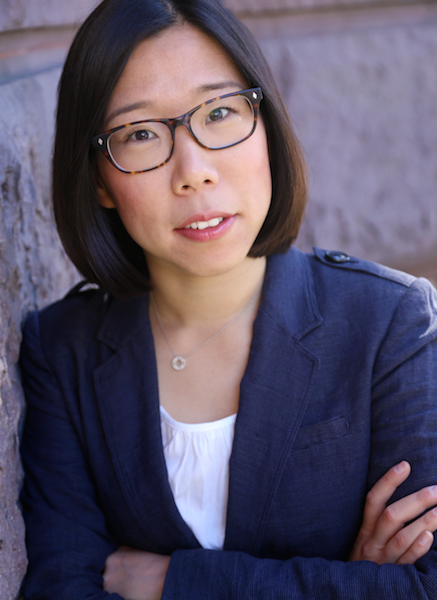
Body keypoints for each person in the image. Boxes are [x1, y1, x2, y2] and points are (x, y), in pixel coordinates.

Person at [19, 0, 437, 598]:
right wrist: (347, 583)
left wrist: (169, 581)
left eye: (219, 113)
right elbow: (63, 586)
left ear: (266, 125)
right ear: (98, 180)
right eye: (141, 134)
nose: (193, 172)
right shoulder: (63, 351)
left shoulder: (390, 322)